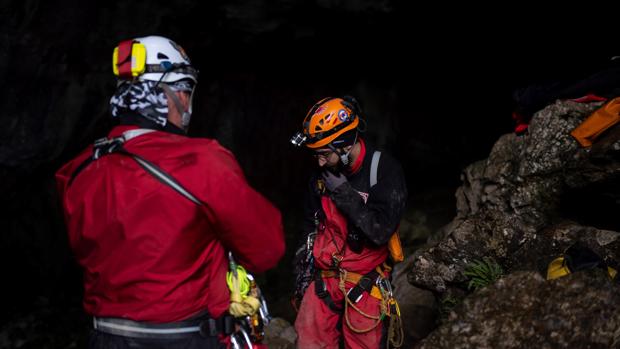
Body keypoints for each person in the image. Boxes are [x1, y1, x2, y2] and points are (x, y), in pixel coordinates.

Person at [55, 35, 285, 349]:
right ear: (169, 95)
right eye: (185, 92)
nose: (188, 103)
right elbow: (267, 248)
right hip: (186, 338)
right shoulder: (202, 161)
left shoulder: (77, 171)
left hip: (105, 338)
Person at [290, 96, 407, 348]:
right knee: (308, 341)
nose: (319, 161)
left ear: (344, 146)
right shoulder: (321, 176)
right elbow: (309, 226)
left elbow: (380, 231)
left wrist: (345, 193)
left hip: (364, 281)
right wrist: (302, 270)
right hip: (325, 278)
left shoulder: (383, 170)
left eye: (323, 154)